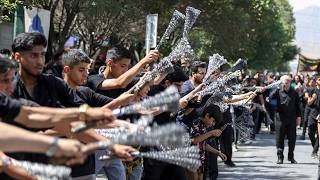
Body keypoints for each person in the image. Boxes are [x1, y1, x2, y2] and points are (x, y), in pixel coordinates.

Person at [87, 45, 159, 98]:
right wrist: (143, 61)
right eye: (123, 66)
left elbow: (154, 81)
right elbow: (119, 83)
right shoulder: (93, 80)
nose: (126, 70)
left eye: (127, 66)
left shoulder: (127, 82)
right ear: (110, 63)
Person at [270, 75, 301, 164]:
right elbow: (271, 97)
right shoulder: (278, 91)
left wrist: (298, 118)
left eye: (288, 83)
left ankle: (291, 157)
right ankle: (280, 157)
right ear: (282, 83)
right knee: (280, 138)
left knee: (292, 138)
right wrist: (276, 88)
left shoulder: (294, 92)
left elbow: (297, 106)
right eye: (285, 83)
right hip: (280, 118)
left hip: (291, 118)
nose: (286, 84)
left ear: (290, 83)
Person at [190, 104, 226, 180]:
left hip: (200, 160)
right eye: (213, 121)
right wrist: (211, 133)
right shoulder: (196, 122)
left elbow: (202, 144)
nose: (213, 124)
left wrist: (218, 152)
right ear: (207, 115)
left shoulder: (204, 126)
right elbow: (194, 140)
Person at [306, 75, 320, 158]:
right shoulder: (312, 90)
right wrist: (313, 98)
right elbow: (309, 103)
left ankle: (314, 151)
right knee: (310, 132)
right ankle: (315, 147)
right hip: (313, 113)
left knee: (319, 134)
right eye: (319, 79)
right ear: (316, 82)